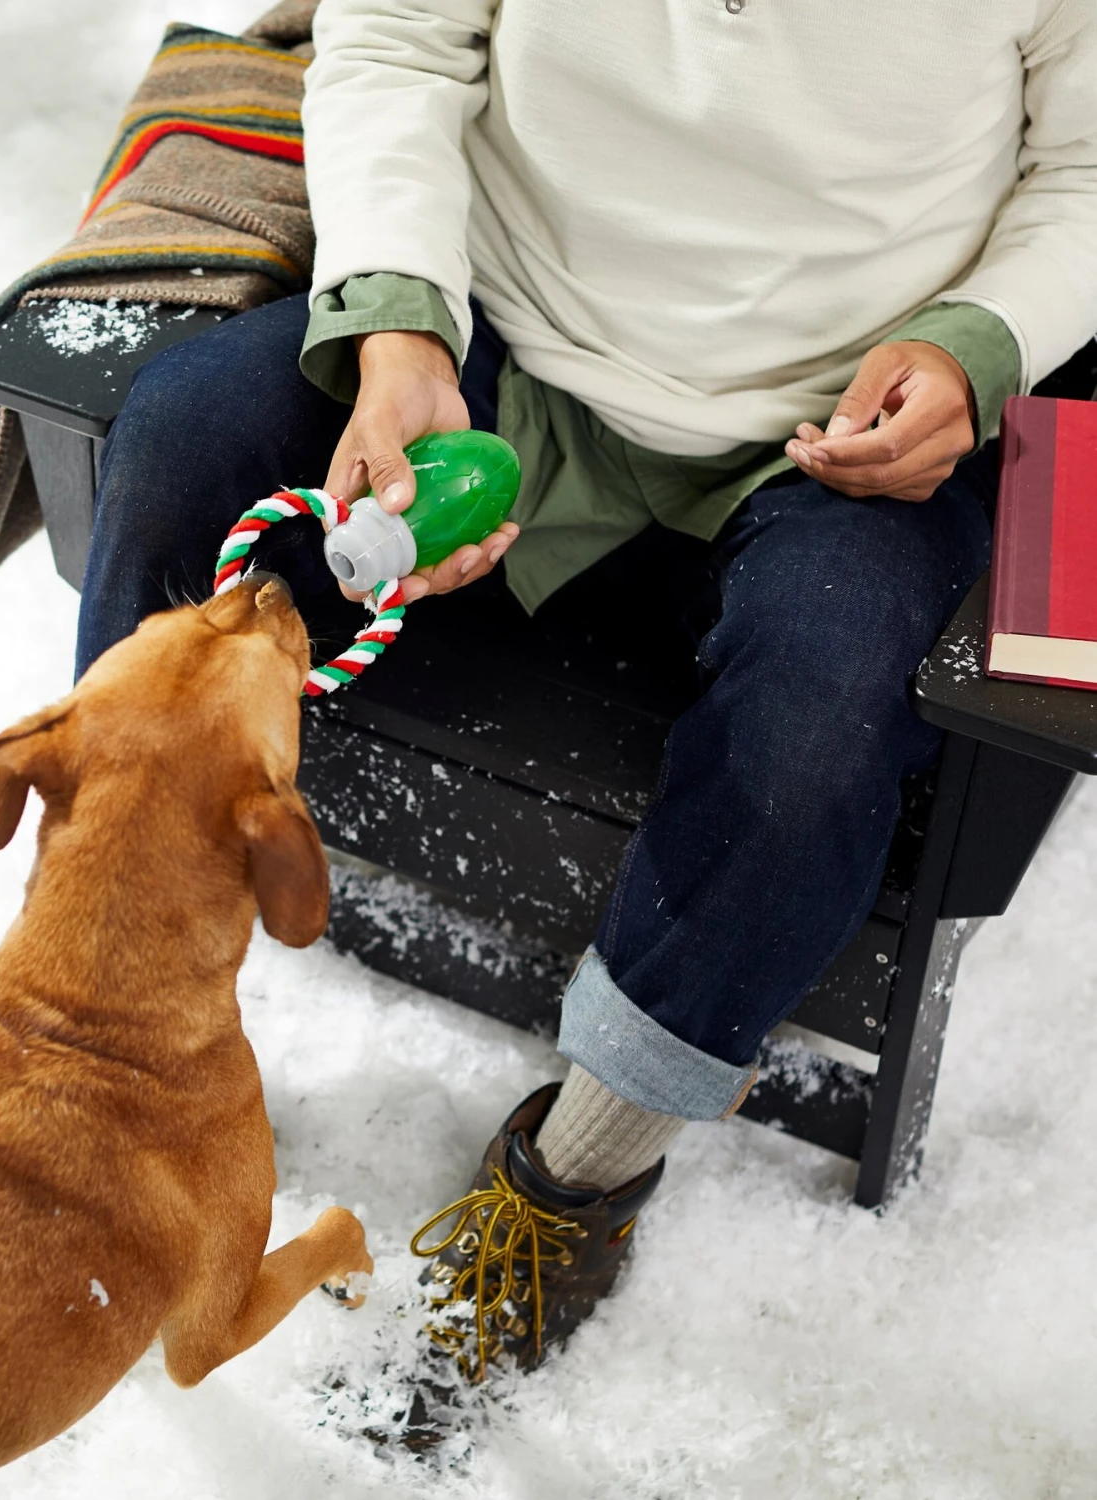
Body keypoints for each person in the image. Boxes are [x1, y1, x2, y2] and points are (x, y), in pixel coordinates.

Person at [74, 0, 1097, 1382]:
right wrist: (400, 327)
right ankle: (111, 1019)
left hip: (841, 423)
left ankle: (579, 1181)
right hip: (500, 335)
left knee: (817, 726)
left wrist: (982, 346)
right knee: (187, 439)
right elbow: (397, 34)